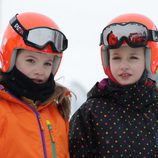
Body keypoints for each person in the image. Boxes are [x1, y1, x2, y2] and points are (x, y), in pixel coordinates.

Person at [69, 13, 158, 157]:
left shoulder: (154, 107)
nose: (124, 65)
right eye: (116, 58)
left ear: (148, 59)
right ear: (107, 60)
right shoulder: (90, 113)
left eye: (133, 57)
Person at [0, 12, 71, 158]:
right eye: (30, 61)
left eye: (47, 63)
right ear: (11, 58)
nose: (39, 71)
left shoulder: (57, 112)